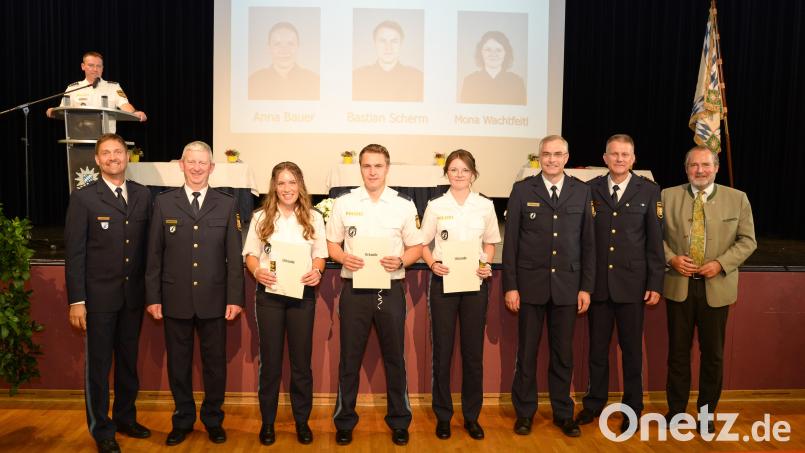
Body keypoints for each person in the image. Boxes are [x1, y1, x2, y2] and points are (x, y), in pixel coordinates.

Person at [145, 141, 245, 446]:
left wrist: (235, 298)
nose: (197, 167)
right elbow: (154, 256)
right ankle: (183, 420)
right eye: (192, 162)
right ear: (181, 164)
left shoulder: (227, 204)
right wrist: (153, 297)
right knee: (178, 364)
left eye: (203, 163)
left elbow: (234, 257)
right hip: (175, 300)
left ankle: (213, 419)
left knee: (215, 366)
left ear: (212, 167)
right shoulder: (163, 203)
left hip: (215, 301)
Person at [326, 144, 424, 446]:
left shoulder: (404, 204)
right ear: (360, 168)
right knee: (349, 360)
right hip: (354, 289)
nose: (372, 171)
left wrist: (402, 261)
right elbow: (332, 244)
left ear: (387, 168)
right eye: (367, 166)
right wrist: (343, 259)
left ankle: (399, 421)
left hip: (390, 288)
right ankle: (345, 421)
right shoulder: (343, 202)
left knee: (396, 358)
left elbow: (416, 248)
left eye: (378, 166)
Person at [64, 133, 152, 453]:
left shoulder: (143, 195)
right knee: (99, 367)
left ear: (127, 157)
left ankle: (126, 418)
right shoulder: (84, 198)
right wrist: (77, 301)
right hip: (98, 299)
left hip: (132, 297)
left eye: (118, 151)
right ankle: (102, 429)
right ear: (98, 160)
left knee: (128, 363)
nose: (114, 157)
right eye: (107, 153)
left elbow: (147, 249)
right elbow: (74, 255)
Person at [503, 134, 595, 438]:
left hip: (568, 287)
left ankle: (563, 413)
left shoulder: (581, 192)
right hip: (530, 286)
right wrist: (511, 285)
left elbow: (588, 244)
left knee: (562, 355)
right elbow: (511, 243)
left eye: (557, 154)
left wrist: (586, 287)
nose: (552, 159)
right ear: (538, 157)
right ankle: (525, 413)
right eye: (546, 154)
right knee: (527, 353)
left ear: (567, 158)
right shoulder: (521, 190)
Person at [662, 146, 756, 435]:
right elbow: (652, 237)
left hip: (717, 287)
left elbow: (747, 241)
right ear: (686, 168)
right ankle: (676, 412)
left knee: (713, 354)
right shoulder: (667, 196)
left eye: (705, 165)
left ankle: (706, 413)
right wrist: (671, 258)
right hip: (679, 286)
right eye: (694, 165)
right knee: (678, 353)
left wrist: (721, 263)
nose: (700, 170)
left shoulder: (737, 198)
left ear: (716, 168)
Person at [575, 134, 665, 433]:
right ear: (605, 158)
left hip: (633, 286)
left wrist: (655, 281)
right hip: (599, 286)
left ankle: (633, 407)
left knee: (631, 352)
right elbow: (585, 242)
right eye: (614, 154)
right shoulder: (590, 190)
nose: (620, 159)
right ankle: (594, 403)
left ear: (634, 158)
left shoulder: (649, 191)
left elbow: (655, 242)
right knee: (597, 351)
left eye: (625, 154)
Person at [242, 162, 327, 445]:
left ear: (300, 185)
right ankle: (268, 423)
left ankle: (302, 422)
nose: (287, 188)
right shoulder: (260, 217)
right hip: (269, 297)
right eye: (281, 183)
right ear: (274, 186)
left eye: (292, 183)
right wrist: (257, 271)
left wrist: (317, 270)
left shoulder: (314, 217)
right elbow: (251, 255)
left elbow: (320, 255)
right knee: (271, 363)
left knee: (301, 364)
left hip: (302, 296)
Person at [420, 149, 500, 440]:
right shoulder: (436, 205)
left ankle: (471, 416)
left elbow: (490, 243)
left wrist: (485, 264)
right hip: (444, 285)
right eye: (453, 170)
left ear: (473, 174)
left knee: (472, 354)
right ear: (447, 174)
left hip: (475, 286)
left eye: (464, 170)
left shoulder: (485, 206)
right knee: (442, 353)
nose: (458, 175)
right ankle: (443, 415)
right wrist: (433, 264)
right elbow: (423, 243)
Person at [46, 51, 147, 124]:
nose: (95, 69)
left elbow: (124, 104)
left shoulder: (113, 87)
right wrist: (54, 111)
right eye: (91, 65)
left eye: (99, 66)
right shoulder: (73, 88)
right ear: (83, 66)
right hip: (78, 139)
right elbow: (63, 110)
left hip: (106, 140)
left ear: (102, 68)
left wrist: (135, 112)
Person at [352, 20, 423, 102]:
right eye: (382, 41)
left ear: (401, 44)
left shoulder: (417, 78)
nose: (388, 47)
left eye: (394, 42)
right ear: (375, 44)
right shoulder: (357, 77)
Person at [248, 22, 320, 100]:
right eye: (277, 44)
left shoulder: (314, 81)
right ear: (269, 47)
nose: (284, 50)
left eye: (290, 44)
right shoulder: (254, 81)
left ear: (298, 46)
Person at [459, 31, 526, 105]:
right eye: (488, 50)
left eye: (498, 50)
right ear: (481, 53)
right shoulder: (470, 81)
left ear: (506, 53)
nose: (493, 54)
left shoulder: (516, 82)